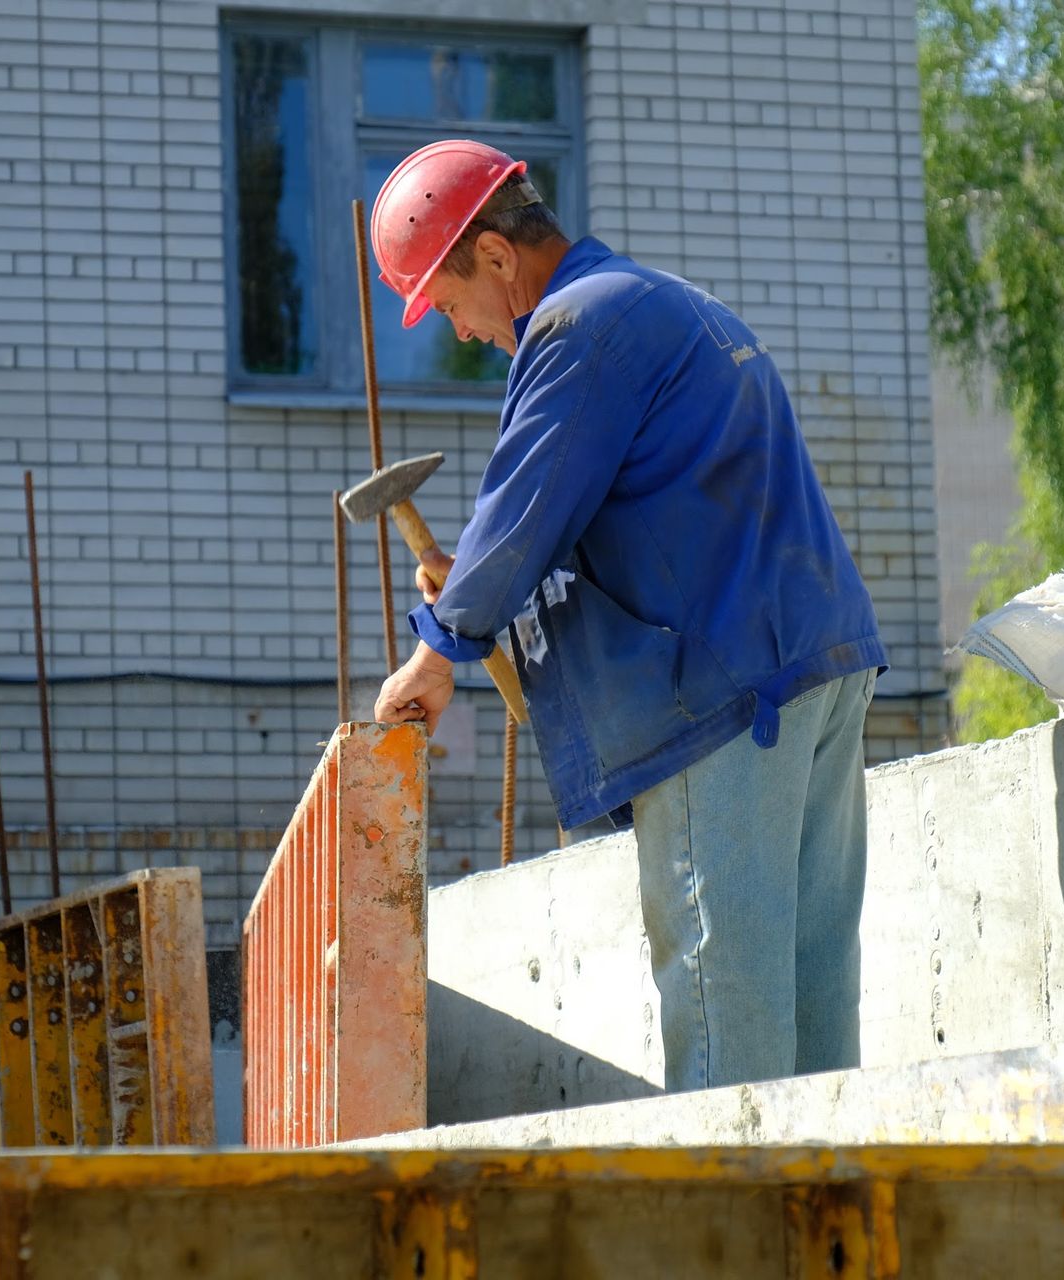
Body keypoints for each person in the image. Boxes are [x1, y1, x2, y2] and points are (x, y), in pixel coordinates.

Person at [368, 139, 886, 1091]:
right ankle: (824, 1229)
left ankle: (733, 1238)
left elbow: (528, 503)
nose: (465, 333)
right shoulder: (663, 300)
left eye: (447, 306)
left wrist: (439, 651)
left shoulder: (577, 326)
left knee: (725, 1019)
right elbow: (607, 511)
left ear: (493, 255)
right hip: (814, 665)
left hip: (720, 699)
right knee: (815, 1015)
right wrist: (476, 577)